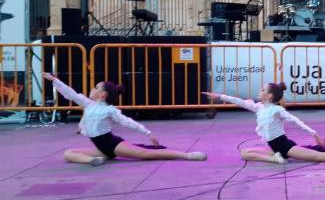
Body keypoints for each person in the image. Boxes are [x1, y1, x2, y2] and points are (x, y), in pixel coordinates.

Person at [43, 73, 207, 166]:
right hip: (100, 150)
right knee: (68, 153)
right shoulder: (88, 104)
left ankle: (187, 155)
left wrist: (148, 133)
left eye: (96, 87)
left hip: (113, 144)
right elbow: (71, 93)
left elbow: (127, 122)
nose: (91, 89)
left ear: (102, 95)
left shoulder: (109, 110)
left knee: (146, 155)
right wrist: (55, 80)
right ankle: (94, 160)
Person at [202, 83, 325, 164]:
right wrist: (219, 96)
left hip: (285, 147)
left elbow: (296, 121)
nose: (259, 91)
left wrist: (314, 134)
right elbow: (239, 101)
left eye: (262, 90)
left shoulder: (277, 110)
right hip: (273, 149)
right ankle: (273, 158)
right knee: (245, 153)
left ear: (269, 96)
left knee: (322, 157)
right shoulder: (258, 108)